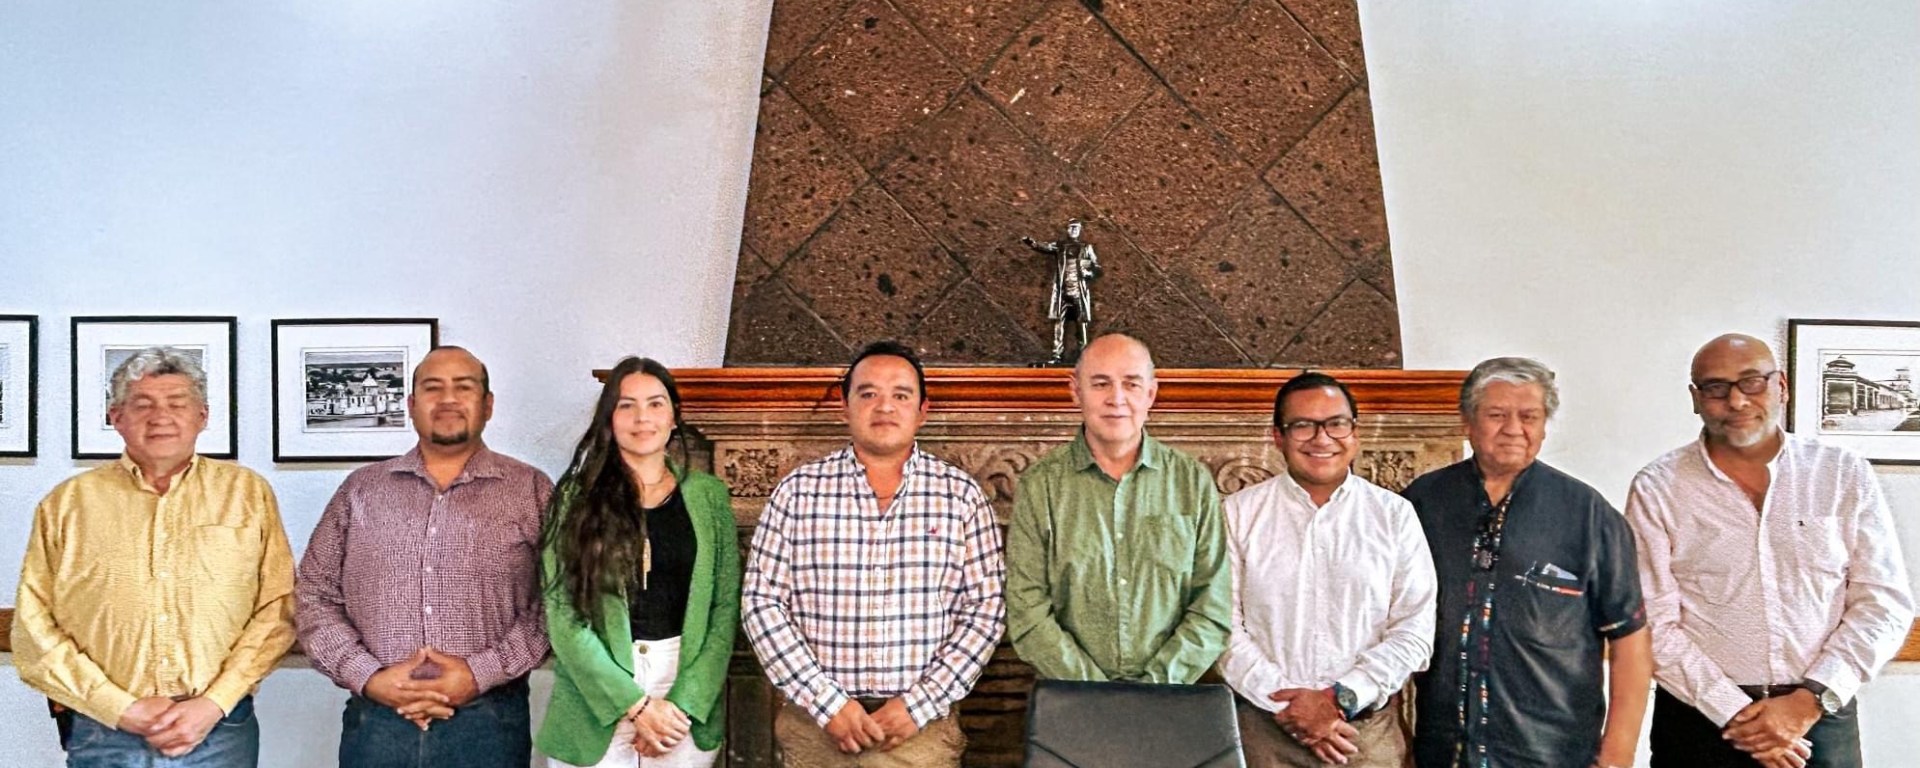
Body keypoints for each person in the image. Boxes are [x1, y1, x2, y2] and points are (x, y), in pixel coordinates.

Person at [1627, 334, 1914, 768]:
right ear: (1696, 399)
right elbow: (1651, 622)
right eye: (1716, 387)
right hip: (1699, 721)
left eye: (1752, 382)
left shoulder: (1841, 472)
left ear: (1781, 386)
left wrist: (1808, 701)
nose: (1737, 401)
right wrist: (1735, 712)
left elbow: (1884, 603)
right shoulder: (1659, 488)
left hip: (1820, 716)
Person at [14, 346, 295, 766]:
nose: (160, 416)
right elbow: (32, 625)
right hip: (103, 730)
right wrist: (117, 706)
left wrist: (214, 702)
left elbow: (278, 606)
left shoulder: (247, 494)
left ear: (202, 416)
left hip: (219, 728)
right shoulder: (67, 504)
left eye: (177, 403)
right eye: (142, 404)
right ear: (116, 417)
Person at [742, 340, 1006, 767]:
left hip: (920, 735)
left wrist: (919, 704)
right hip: (816, 729)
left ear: (922, 410)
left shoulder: (961, 497)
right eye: (868, 394)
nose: (885, 406)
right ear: (844, 406)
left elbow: (986, 610)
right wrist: (828, 704)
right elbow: (762, 602)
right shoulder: (797, 493)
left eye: (901, 395)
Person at [296, 345, 553, 767]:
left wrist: (479, 673)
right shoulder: (360, 491)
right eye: (433, 388)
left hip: (490, 722)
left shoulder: (531, 491)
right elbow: (313, 594)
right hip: (377, 724)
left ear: (488, 405)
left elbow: (558, 599)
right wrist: (369, 677)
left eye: (463, 387)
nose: (448, 399)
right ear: (412, 405)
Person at [1401, 356, 1650, 768]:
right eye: (1496, 415)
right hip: (1444, 751)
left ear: (1544, 425)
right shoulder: (1422, 503)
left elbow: (1629, 637)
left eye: (1529, 416)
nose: (1513, 429)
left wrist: (1617, 753)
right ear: (1467, 422)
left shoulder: (1587, 513)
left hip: (1553, 752)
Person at [1218, 373, 1436, 767]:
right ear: (1278, 436)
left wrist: (1341, 698)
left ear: (1354, 433)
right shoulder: (1238, 514)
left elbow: (1415, 630)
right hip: (1264, 737)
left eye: (1336, 423)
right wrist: (1291, 707)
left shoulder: (1394, 516)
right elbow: (1222, 626)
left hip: (1367, 739)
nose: (1322, 438)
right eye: (1303, 425)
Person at [537, 357, 741, 767]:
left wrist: (682, 704)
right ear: (609, 418)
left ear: (673, 417)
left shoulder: (709, 496)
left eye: (655, 404)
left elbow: (724, 609)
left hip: (683, 694)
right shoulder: (575, 498)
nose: (642, 417)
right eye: (626, 405)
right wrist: (636, 706)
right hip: (596, 694)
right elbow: (563, 616)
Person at [1006, 333, 1230, 683]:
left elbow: (1212, 606)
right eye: (1100, 384)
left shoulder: (1191, 482)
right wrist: (1096, 693)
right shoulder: (1040, 486)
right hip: (1070, 696)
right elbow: (1027, 611)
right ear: (1075, 391)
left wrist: (1154, 686)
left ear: (1151, 394)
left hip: (1170, 696)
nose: (1117, 398)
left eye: (1131, 384)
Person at [1021, 218, 1103, 364]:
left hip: (1079, 291)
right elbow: (1044, 247)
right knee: (1059, 322)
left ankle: (1084, 354)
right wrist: (1032, 243)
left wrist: (1088, 274)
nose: (1074, 230)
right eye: (1071, 227)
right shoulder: (1060, 246)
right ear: (1067, 229)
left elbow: (1097, 268)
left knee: (1081, 323)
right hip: (1062, 292)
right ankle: (1056, 355)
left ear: (1080, 230)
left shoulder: (1086, 247)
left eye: (1076, 228)